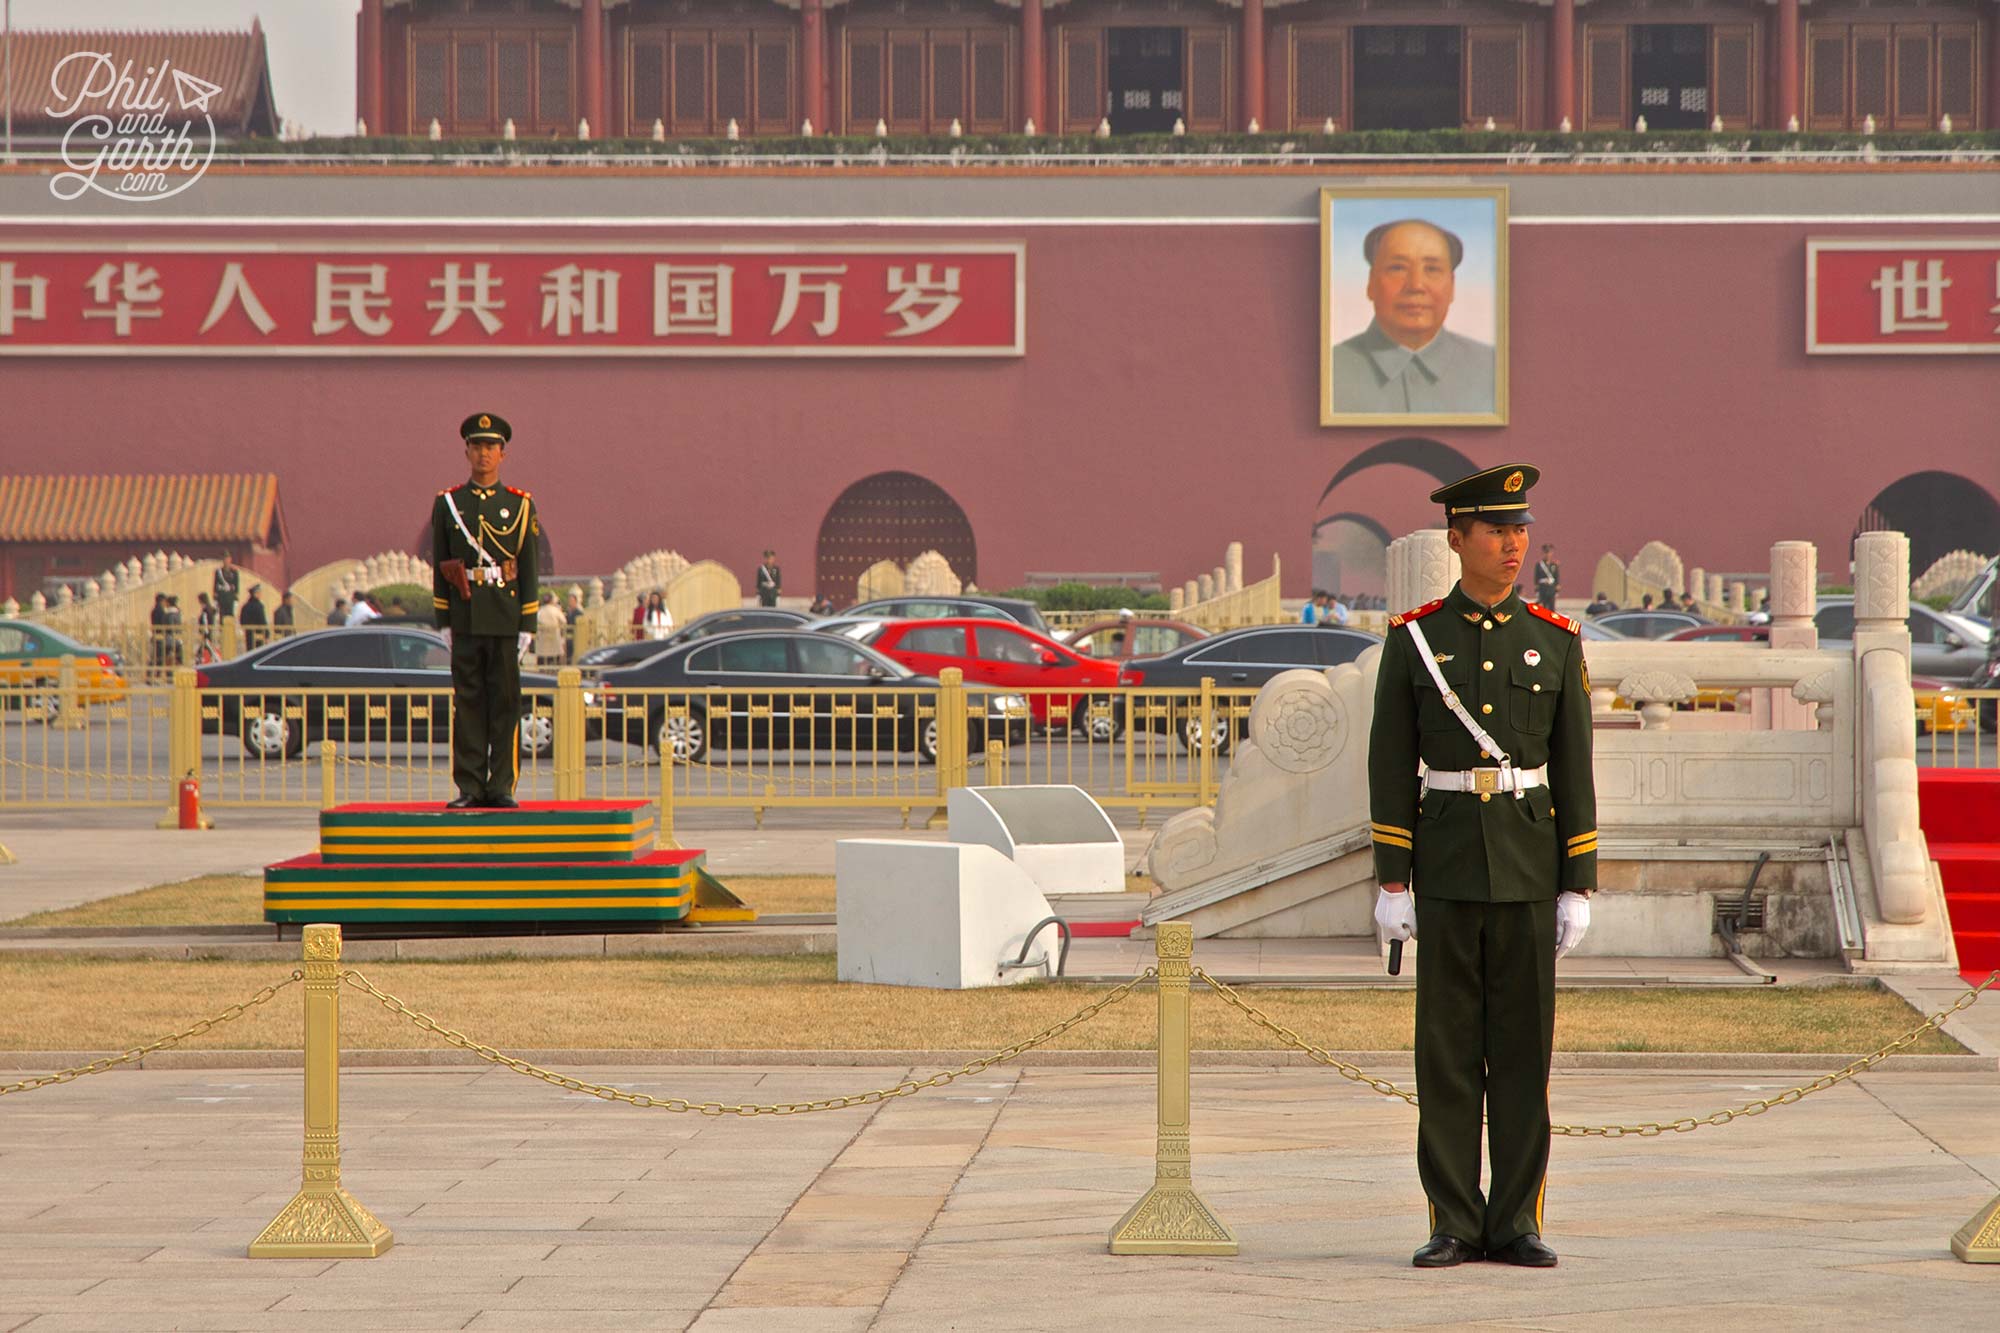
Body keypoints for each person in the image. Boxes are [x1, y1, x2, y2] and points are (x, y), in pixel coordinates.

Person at [1368, 461, 1596, 1271]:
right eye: (1497, 530)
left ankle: (1518, 1222)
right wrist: (1392, 880)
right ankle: (1454, 1220)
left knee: (1525, 1054)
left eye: (1520, 529)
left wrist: (1578, 883)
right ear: (1456, 538)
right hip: (1450, 864)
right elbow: (1391, 761)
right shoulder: (1415, 639)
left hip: (1531, 868)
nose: (1514, 543)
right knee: (1449, 1053)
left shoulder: (1556, 640)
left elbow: (1574, 767)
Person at [432, 410, 541, 810]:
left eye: (491, 447)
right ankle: (470, 786)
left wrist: (528, 621)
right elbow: (440, 566)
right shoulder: (448, 504)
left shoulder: (520, 504)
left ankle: (501, 786)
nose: (484, 454)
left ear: (502, 454)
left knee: (506, 704)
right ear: (466, 451)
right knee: (469, 704)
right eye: (477, 446)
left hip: (504, 616)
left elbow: (528, 568)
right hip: (465, 615)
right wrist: (444, 619)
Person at [1329, 219, 1497, 415]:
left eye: (1432, 269)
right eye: (1397, 268)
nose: (1416, 285)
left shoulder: (1494, 368)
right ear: (1371, 283)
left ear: (1452, 287)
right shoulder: (1329, 370)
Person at [1534, 544, 1560, 609]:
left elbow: (1556, 577)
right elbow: (1536, 578)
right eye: (1546, 552)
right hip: (1543, 588)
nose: (1547, 555)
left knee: (1551, 607)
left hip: (1551, 588)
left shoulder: (1554, 565)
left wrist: (1557, 588)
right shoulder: (1539, 565)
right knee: (1543, 607)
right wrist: (1537, 589)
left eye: (1549, 552)